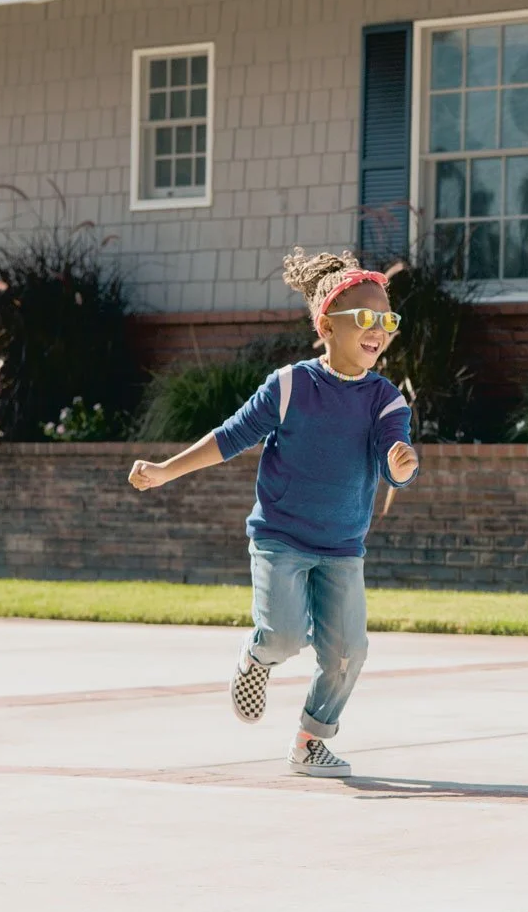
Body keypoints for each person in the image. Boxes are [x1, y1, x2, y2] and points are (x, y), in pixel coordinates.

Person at [129, 248, 418, 778]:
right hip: (280, 539)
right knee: (284, 636)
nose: (379, 329)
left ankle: (311, 741)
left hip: (342, 547)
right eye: (366, 319)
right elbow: (231, 436)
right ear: (327, 325)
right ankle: (258, 657)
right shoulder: (289, 386)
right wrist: (166, 470)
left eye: (387, 320)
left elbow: (393, 458)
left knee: (348, 653)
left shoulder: (385, 401)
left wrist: (401, 467)